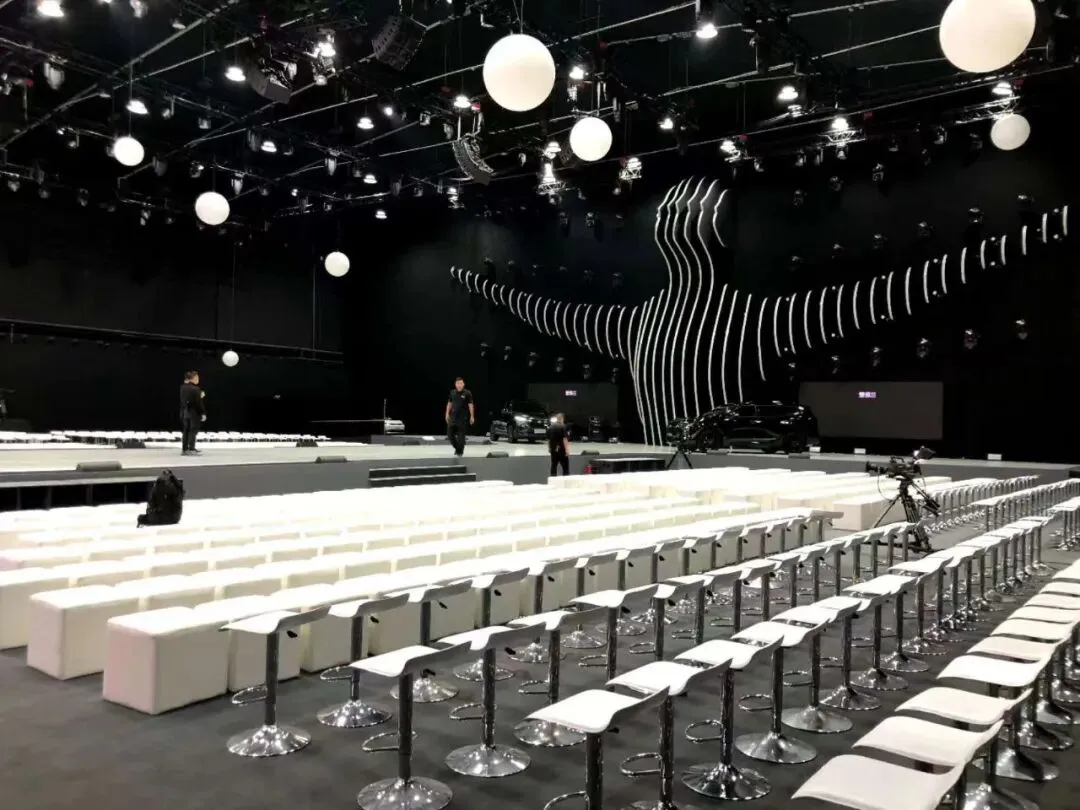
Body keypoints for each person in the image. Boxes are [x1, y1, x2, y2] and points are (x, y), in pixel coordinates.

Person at [445, 377, 474, 457]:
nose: (459, 385)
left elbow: (470, 405)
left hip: (462, 419)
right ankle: (458, 449)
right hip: (452, 418)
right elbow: (449, 403)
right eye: (458, 383)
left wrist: (472, 416)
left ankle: (459, 452)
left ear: (463, 384)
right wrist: (447, 414)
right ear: (455, 384)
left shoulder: (467, 393)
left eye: (461, 383)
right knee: (450, 435)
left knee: (461, 439)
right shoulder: (452, 392)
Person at [179, 370, 206, 456]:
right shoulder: (196, 389)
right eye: (197, 377)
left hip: (185, 412)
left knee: (186, 431)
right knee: (193, 431)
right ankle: (191, 449)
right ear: (192, 378)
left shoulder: (183, 387)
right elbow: (198, 403)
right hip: (194, 413)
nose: (198, 379)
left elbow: (186, 400)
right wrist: (203, 413)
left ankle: (185, 449)